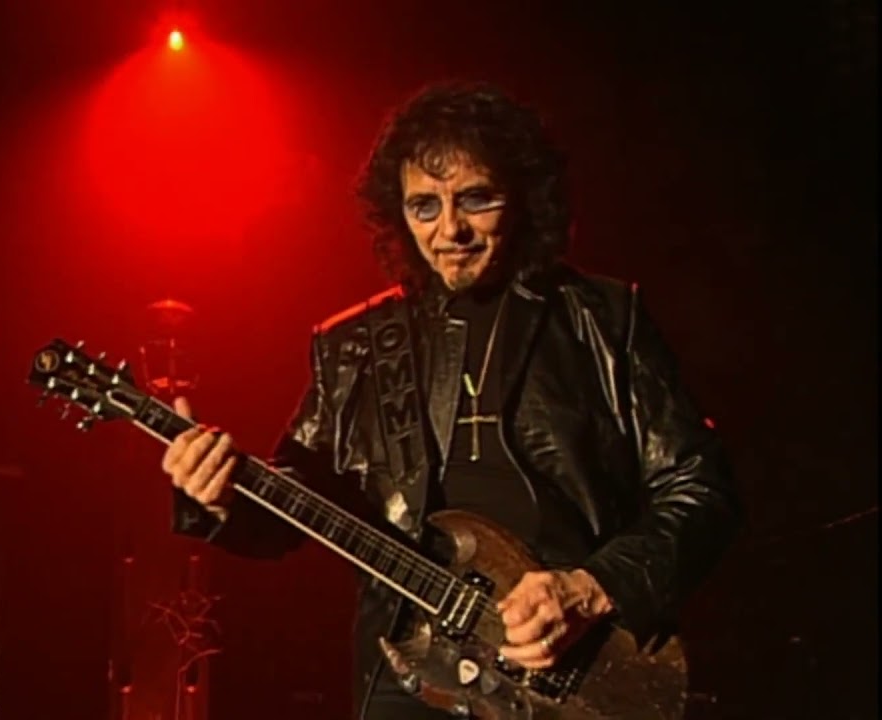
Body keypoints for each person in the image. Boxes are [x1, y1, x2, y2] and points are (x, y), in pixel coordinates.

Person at [160, 81, 742, 719]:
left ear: (524, 198)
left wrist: (589, 588)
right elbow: (293, 506)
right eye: (424, 207)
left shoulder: (603, 320)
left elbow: (701, 489)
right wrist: (217, 494)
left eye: (476, 199)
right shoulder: (356, 346)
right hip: (412, 670)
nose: (450, 230)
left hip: (575, 669)